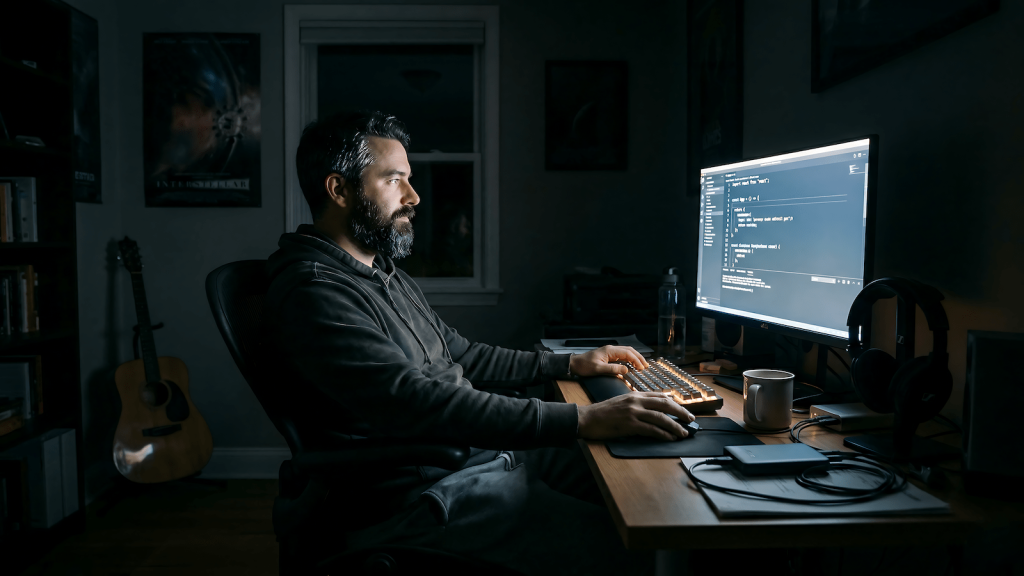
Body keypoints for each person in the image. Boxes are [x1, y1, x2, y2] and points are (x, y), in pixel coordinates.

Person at [265, 110, 694, 575]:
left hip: (478, 457)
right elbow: (416, 402)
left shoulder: (382, 273)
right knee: (637, 555)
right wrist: (582, 418)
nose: (413, 196)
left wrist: (569, 365)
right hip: (426, 492)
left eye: (409, 180)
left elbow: (462, 354)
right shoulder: (315, 293)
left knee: (653, 492)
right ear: (339, 189)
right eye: (394, 180)